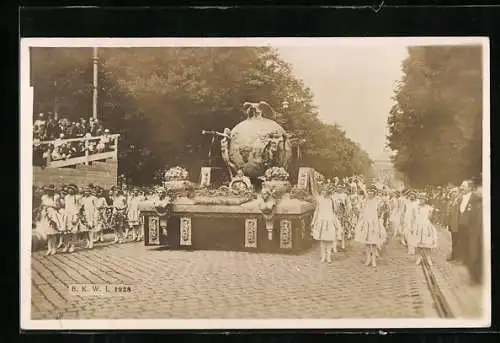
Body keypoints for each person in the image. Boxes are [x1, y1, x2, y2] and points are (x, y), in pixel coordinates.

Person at [355, 185, 387, 267]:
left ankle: (373, 260)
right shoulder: (364, 201)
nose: (370, 194)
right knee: (367, 243)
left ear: (374, 193)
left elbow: (380, 211)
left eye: (372, 193)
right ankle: (368, 259)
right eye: (368, 193)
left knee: (373, 242)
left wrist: (380, 211)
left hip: (374, 223)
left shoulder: (377, 201)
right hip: (366, 222)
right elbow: (360, 210)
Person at [311, 186, 342, 263]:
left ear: (328, 192)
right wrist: (313, 221)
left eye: (325, 191)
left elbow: (335, 211)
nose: (324, 192)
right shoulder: (320, 200)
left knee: (329, 239)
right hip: (321, 220)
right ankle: (323, 256)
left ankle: (328, 257)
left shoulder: (331, 200)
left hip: (330, 220)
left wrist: (336, 222)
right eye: (323, 191)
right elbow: (316, 211)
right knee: (322, 240)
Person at [465, 177, 483, 285]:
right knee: (474, 254)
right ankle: (474, 277)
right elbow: (470, 216)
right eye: (480, 188)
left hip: (480, 231)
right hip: (474, 231)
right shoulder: (474, 200)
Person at [38, 185, 64, 255]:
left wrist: (50, 206)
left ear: (53, 191)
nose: (49, 192)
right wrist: (41, 210)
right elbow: (41, 205)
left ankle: (54, 248)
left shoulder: (56, 197)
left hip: (53, 215)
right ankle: (49, 248)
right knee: (48, 233)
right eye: (48, 190)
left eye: (50, 191)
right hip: (45, 215)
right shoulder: (44, 197)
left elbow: (58, 206)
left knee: (53, 233)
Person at [414, 195, 438, 266]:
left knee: (427, 241)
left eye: (423, 199)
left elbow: (431, 217)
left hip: (426, 225)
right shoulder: (417, 207)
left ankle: (428, 257)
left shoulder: (428, 207)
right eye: (420, 199)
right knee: (419, 243)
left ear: (425, 200)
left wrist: (432, 212)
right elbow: (414, 217)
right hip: (418, 224)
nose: (422, 201)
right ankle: (419, 257)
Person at [62, 184, 81, 253]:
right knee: (66, 232)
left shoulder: (77, 197)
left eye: (72, 189)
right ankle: (66, 246)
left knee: (73, 232)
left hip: (74, 215)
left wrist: (76, 217)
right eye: (69, 188)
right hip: (67, 215)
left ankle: (72, 246)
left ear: (74, 190)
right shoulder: (66, 197)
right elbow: (65, 206)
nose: (70, 190)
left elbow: (79, 208)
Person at [446, 187, 461, 262]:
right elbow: (449, 213)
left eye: (455, 191)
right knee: (454, 240)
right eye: (452, 192)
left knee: (457, 240)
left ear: (458, 192)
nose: (453, 193)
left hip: (458, 225)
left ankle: (456, 256)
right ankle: (454, 255)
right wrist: (448, 224)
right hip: (452, 224)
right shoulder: (451, 201)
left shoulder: (459, 201)